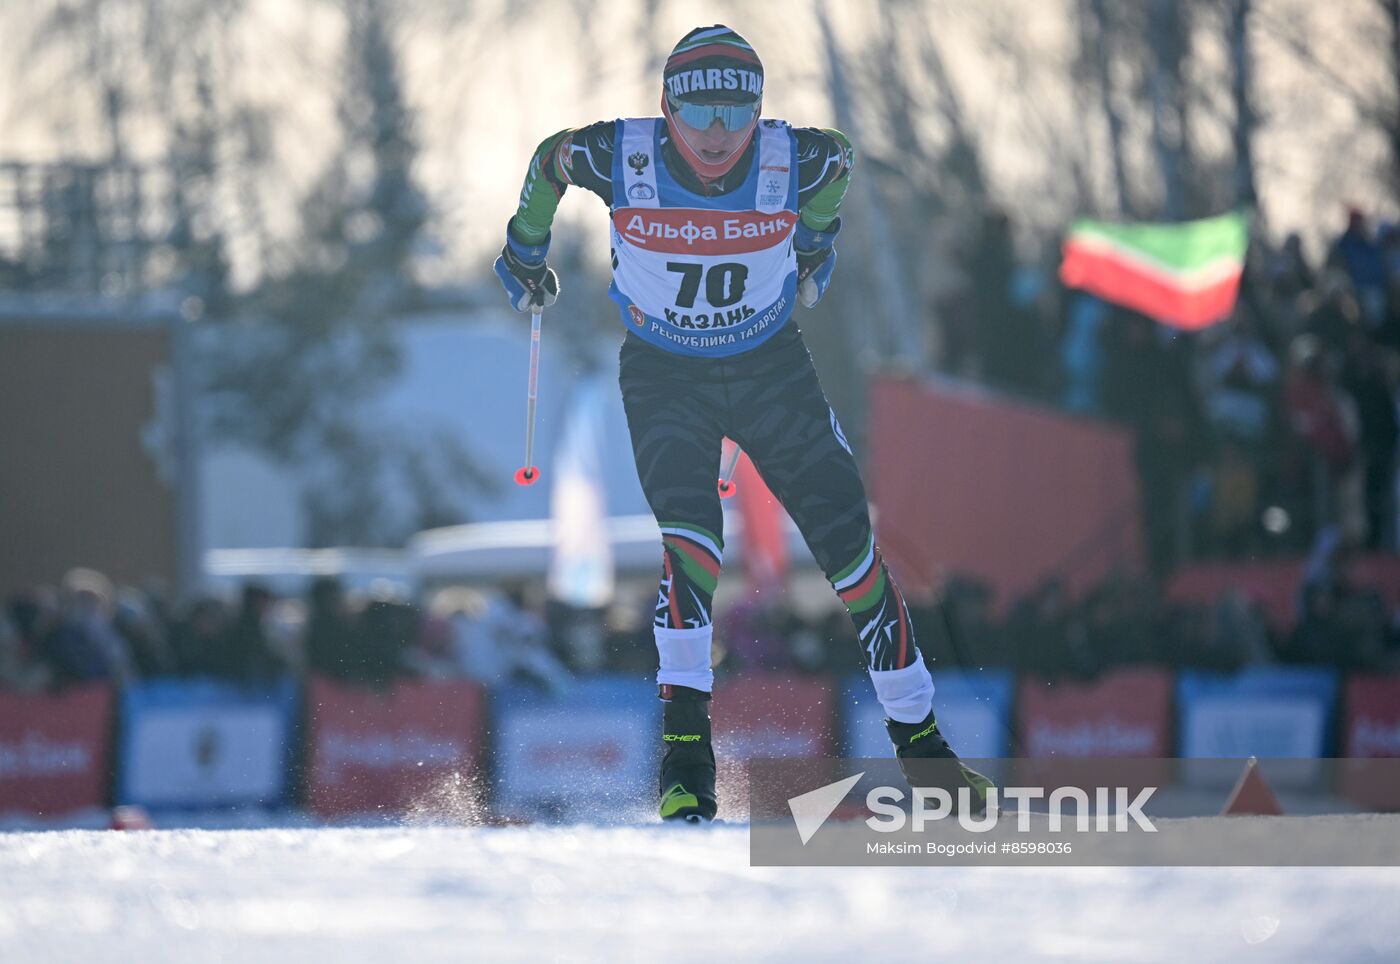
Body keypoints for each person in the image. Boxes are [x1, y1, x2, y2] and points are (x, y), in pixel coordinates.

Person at [494, 25, 989, 822]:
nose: (720, 132)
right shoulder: (625, 154)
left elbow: (840, 165)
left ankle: (926, 751)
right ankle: (686, 764)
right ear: (666, 104)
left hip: (770, 373)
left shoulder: (799, 158)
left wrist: (819, 240)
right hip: (666, 377)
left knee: (852, 554)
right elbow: (551, 156)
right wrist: (524, 246)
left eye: (739, 109)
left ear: (760, 107)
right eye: (699, 110)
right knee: (691, 546)